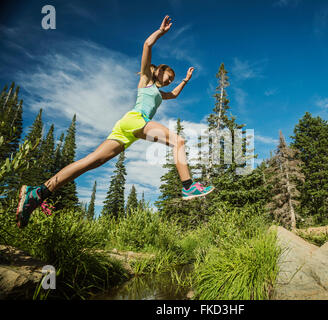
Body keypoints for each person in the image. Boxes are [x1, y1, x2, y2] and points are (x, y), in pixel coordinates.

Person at [16, 15, 215, 228]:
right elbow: (147, 45)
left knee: (90, 162)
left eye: (172, 79)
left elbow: (173, 95)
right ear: (160, 71)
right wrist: (160, 32)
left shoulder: (159, 92)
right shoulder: (146, 79)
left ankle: (37, 193)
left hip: (126, 130)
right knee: (179, 141)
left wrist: (185, 80)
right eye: (169, 75)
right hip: (135, 120)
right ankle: (188, 186)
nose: (170, 80)